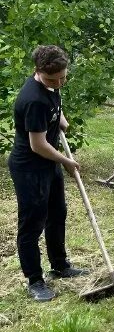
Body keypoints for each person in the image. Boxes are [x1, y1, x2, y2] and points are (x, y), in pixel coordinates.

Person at [8, 45, 88, 302]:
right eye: (52, 80)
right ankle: (35, 280)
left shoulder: (52, 85)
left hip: (47, 163)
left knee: (57, 213)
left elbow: (55, 101)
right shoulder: (33, 99)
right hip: (29, 167)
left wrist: (60, 118)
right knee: (32, 224)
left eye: (63, 77)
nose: (59, 83)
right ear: (38, 72)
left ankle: (60, 265)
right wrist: (67, 161)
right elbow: (38, 145)